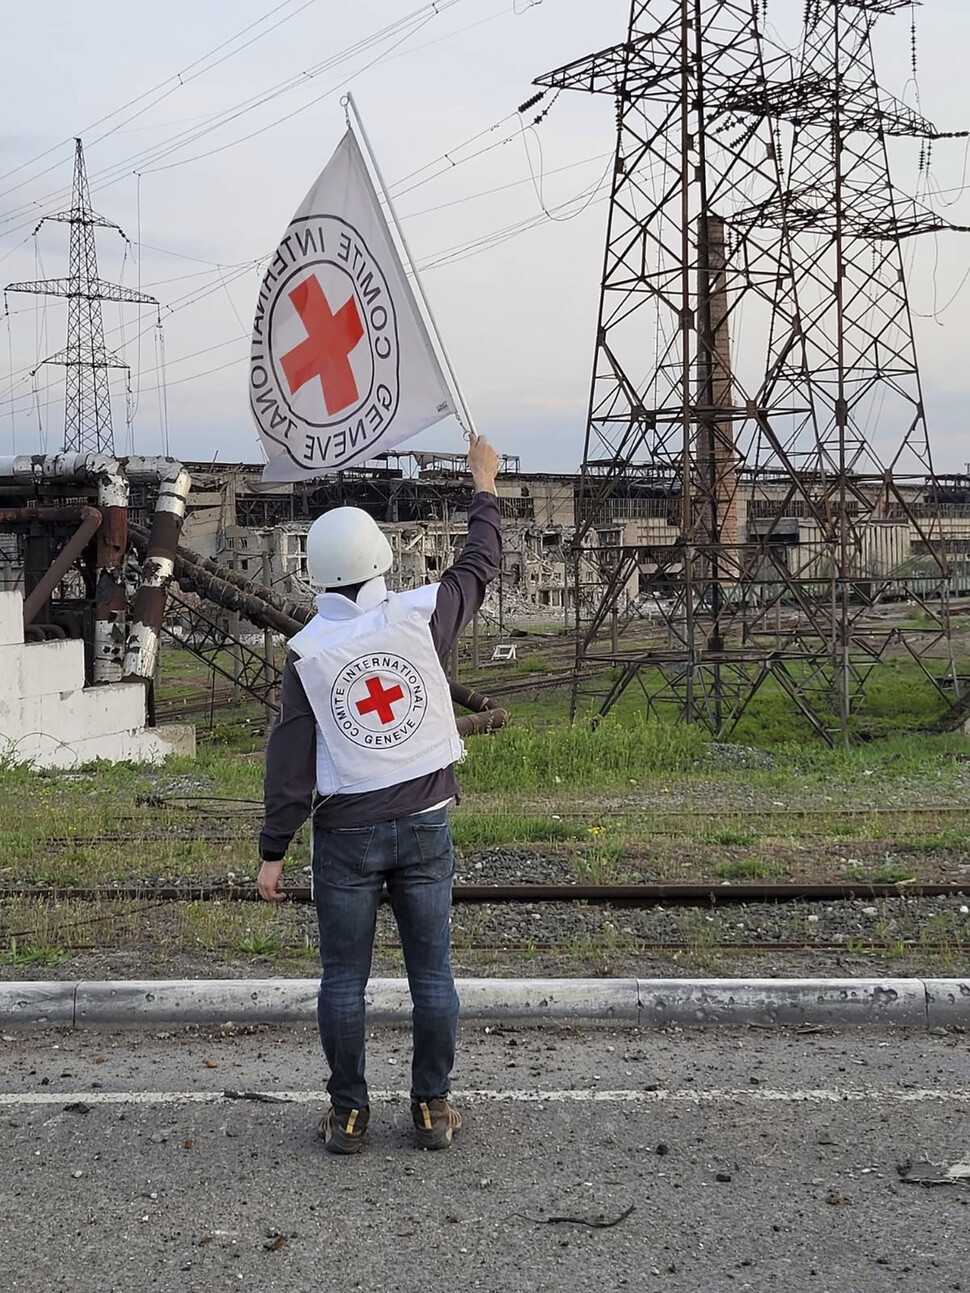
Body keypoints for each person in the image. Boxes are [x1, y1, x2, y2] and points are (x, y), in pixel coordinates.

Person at [257, 432, 502, 1154]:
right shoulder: (422, 613)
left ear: (314, 575)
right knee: (433, 974)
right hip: (427, 822)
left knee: (343, 980)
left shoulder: (306, 654)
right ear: (381, 563)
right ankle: (431, 1107)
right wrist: (481, 483)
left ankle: (349, 1114)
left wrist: (274, 851)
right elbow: (480, 563)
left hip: (345, 836)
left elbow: (290, 764)